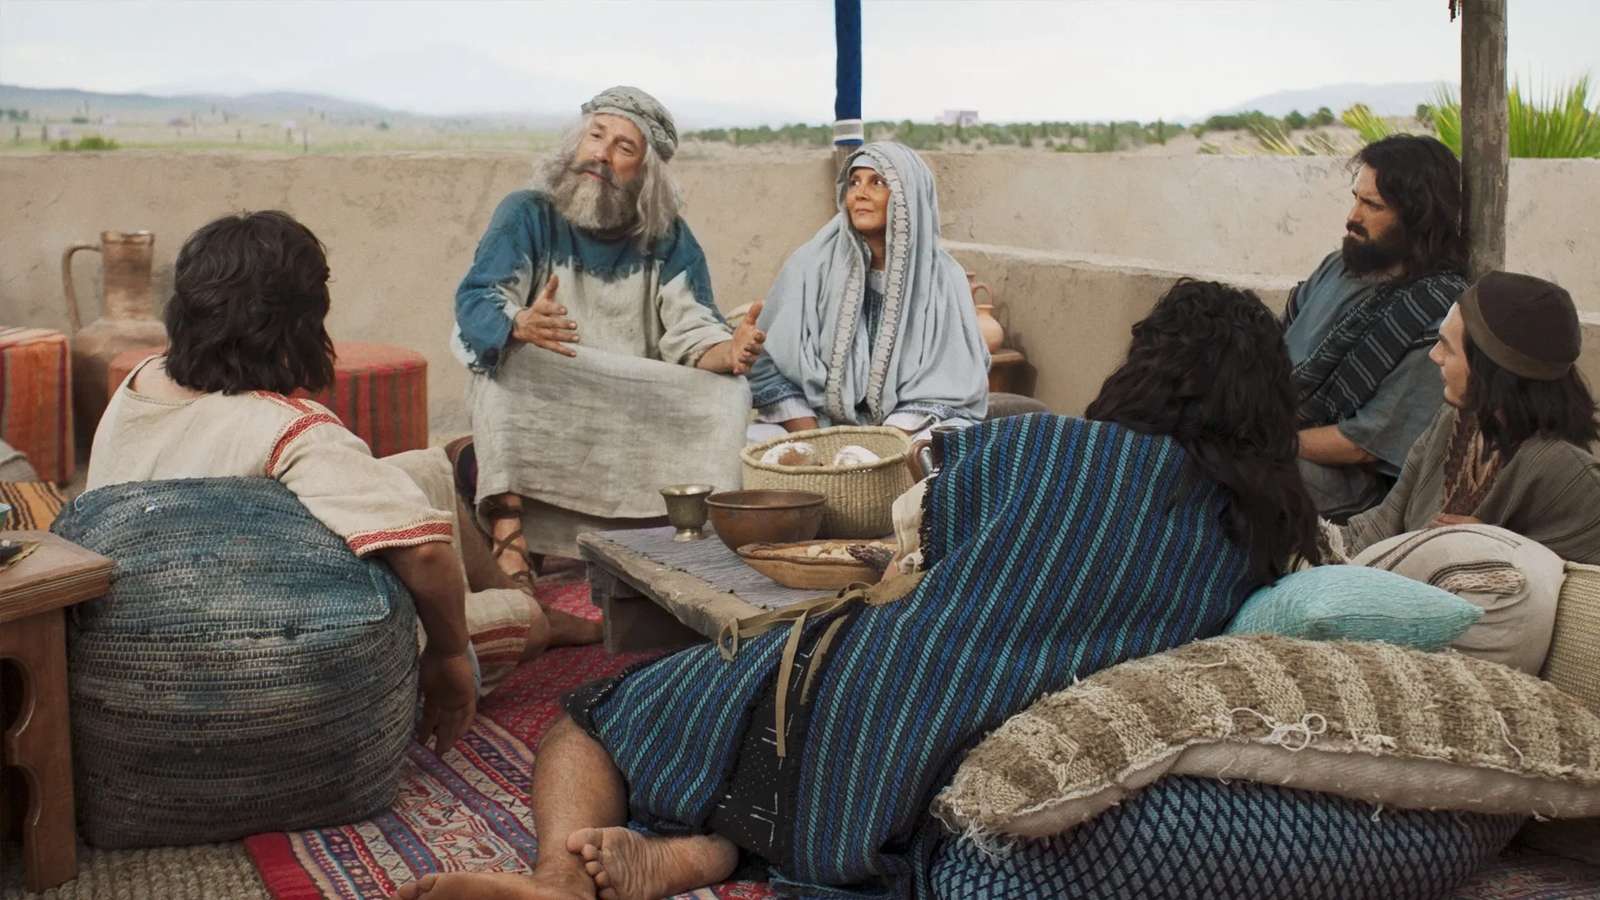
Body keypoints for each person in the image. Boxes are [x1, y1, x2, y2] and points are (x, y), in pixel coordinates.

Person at [391, 279, 1321, 900]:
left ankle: (562, 877)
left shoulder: (1038, 447)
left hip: (866, 693)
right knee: (800, 772)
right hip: (940, 777)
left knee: (600, 712)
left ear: (1145, 366)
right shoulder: (1266, 532)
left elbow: (930, 547)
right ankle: (703, 850)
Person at [88, 211, 545, 754]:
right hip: (259, 659)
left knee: (425, 470)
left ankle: (498, 587)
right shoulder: (290, 430)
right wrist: (447, 655)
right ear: (300, 325)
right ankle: (530, 612)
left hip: (136, 631)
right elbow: (425, 556)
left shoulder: (141, 380)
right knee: (523, 618)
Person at [451, 86, 763, 601]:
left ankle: (679, 536)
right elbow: (478, 299)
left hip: (632, 392)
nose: (601, 153)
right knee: (504, 368)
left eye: (624, 147)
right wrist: (520, 322)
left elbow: (692, 330)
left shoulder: (667, 236)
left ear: (645, 172)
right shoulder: (526, 213)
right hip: (551, 379)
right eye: (596, 135)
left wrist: (731, 351)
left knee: (728, 394)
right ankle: (509, 535)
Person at [1335, 271, 1600, 564]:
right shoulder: (1454, 421)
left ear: (1489, 370)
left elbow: (1581, 586)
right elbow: (1387, 519)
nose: (1434, 355)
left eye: (1447, 346)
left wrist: (1501, 547)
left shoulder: (1570, 475)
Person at [747, 141, 989, 440]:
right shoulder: (810, 264)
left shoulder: (944, 277)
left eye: (877, 182)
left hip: (907, 431)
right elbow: (769, 364)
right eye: (854, 182)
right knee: (757, 439)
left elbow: (950, 383)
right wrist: (817, 442)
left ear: (907, 196)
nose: (860, 193)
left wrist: (878, 450)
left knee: (947, 441)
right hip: (820, 425)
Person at [1286, 135, 1469, 520]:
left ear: (1416, 218)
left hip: (1347, 479)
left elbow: (1364, 444)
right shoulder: (1336, 267)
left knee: (1230, 473)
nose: (1352, 217)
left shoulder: (1433, 314)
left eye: (1372, 206)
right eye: (1356, 198)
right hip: (1270, 430)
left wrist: (1262, 442)